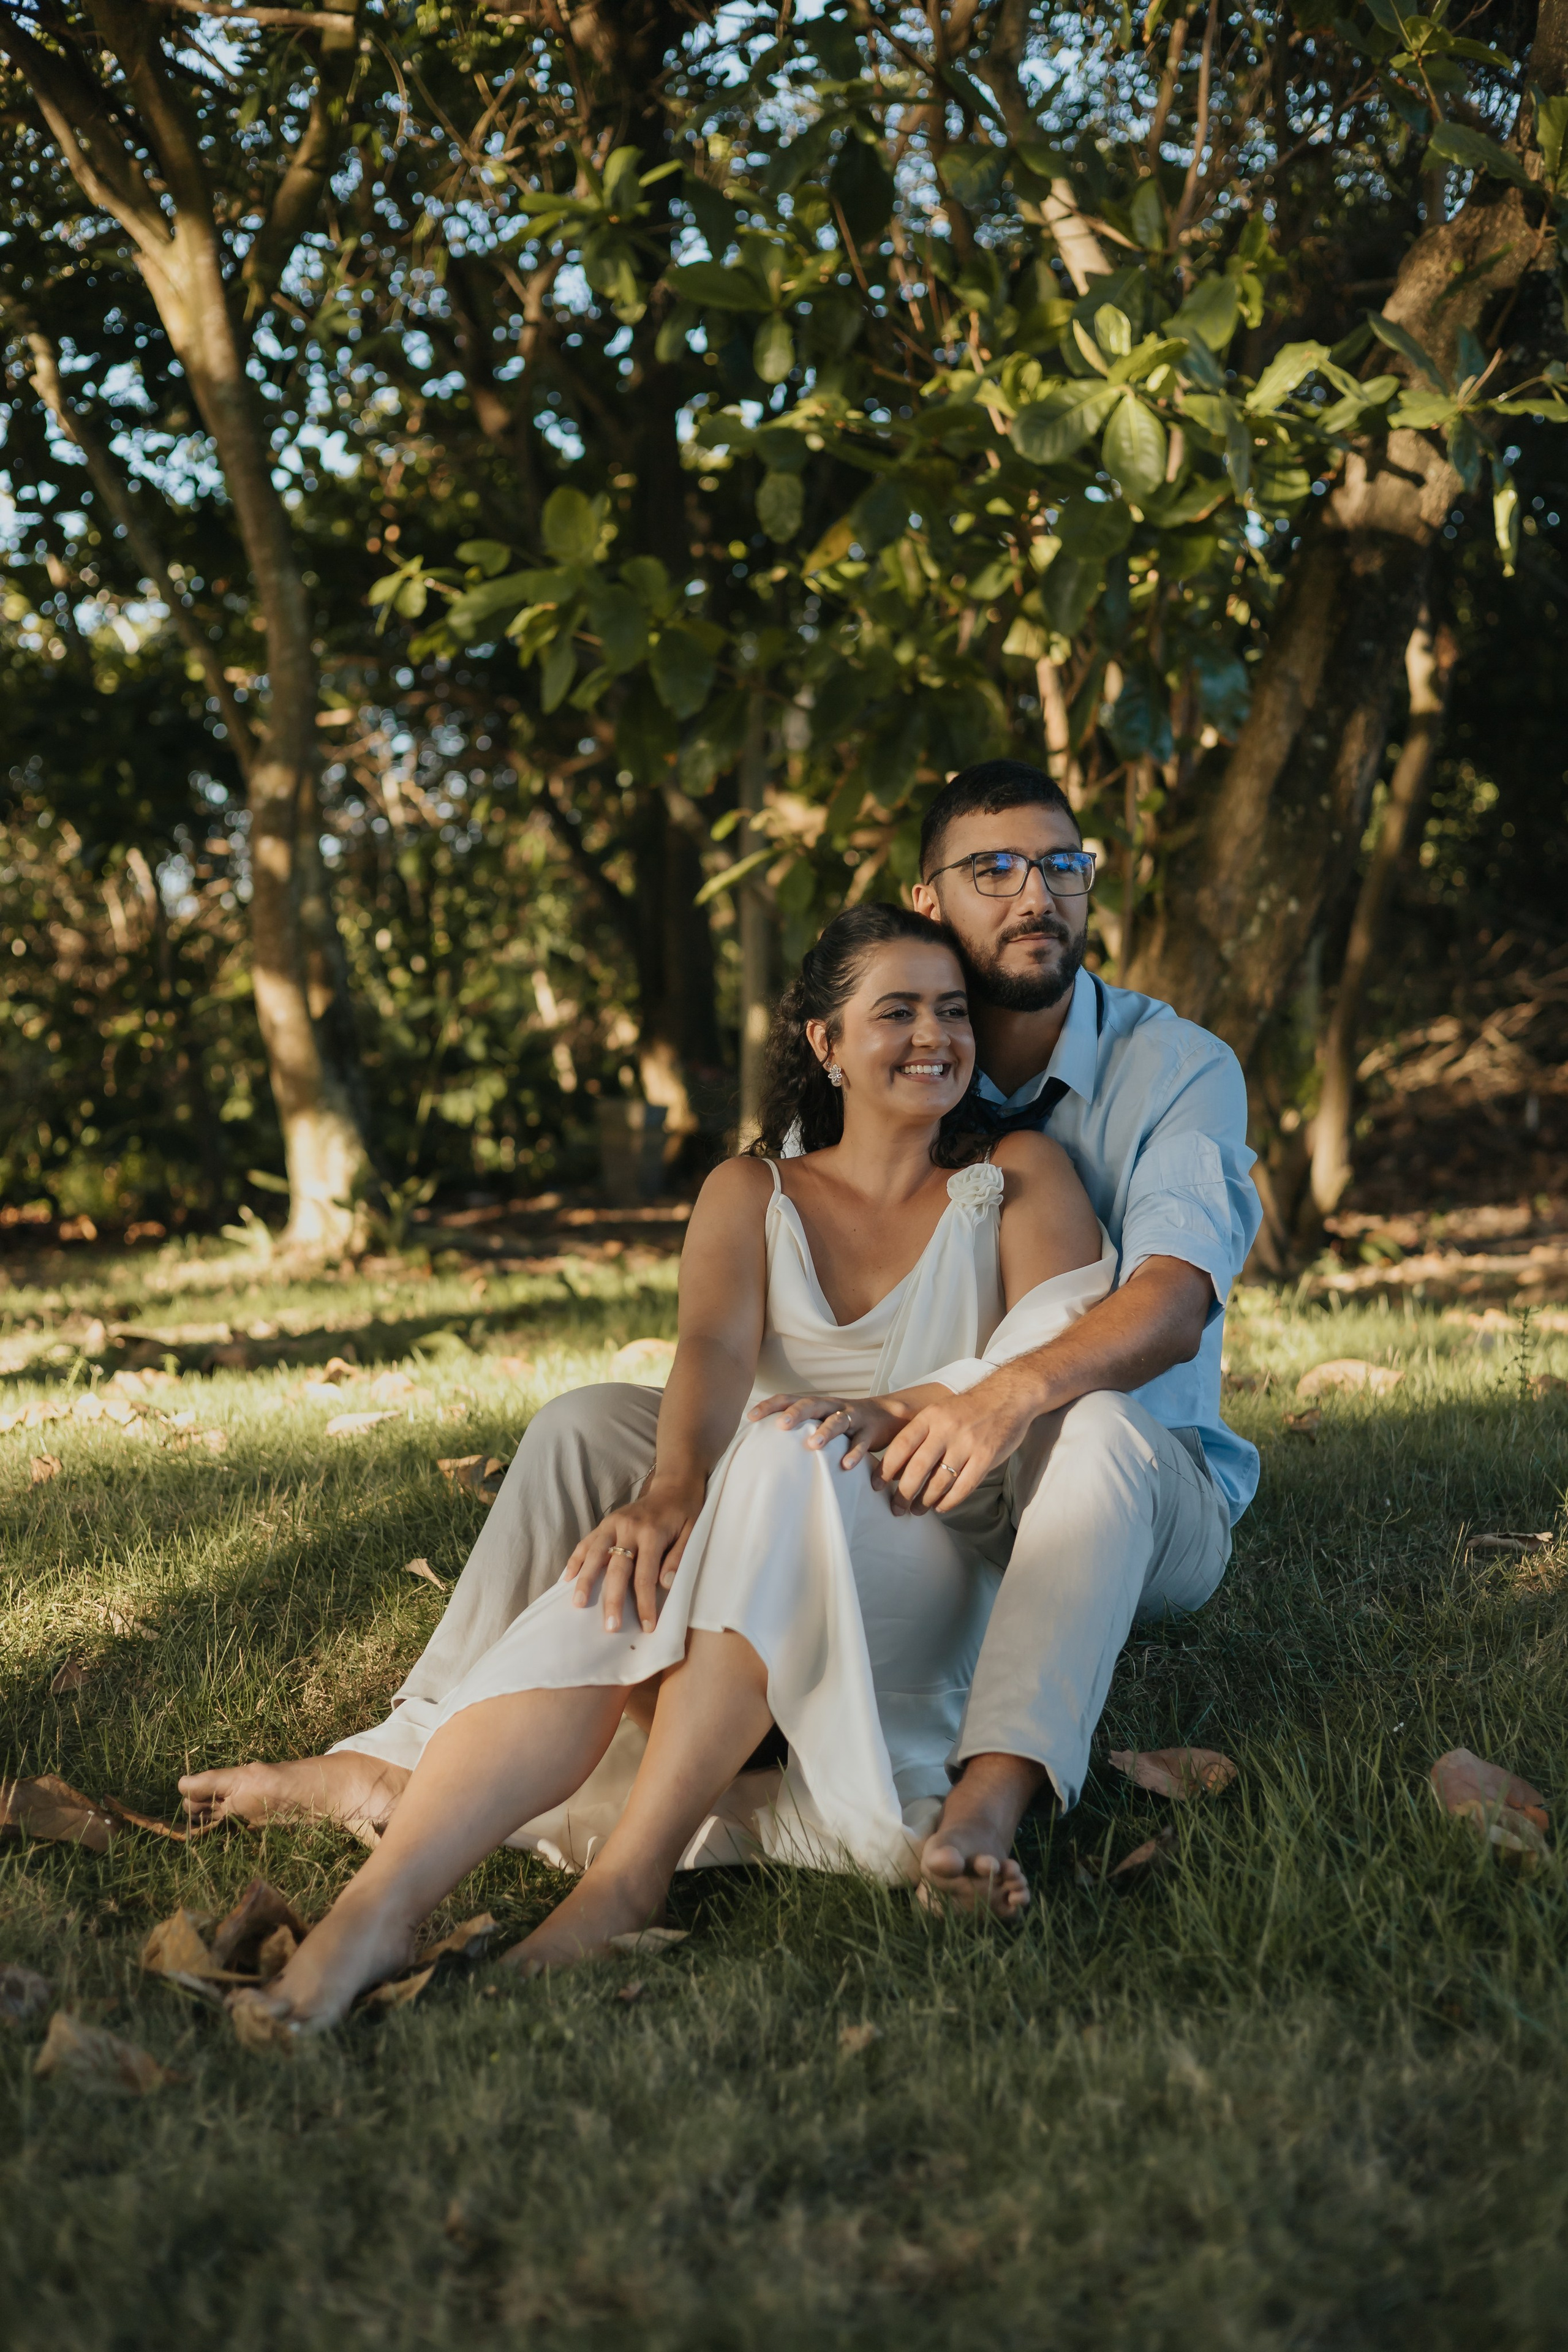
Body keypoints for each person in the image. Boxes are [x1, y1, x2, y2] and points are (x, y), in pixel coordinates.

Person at [187, 755, 1260, 1923]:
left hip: (1112, 1482)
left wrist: (986, 1399)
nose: (1035, 895)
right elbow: (741, 1321)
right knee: (585, 1424)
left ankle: (984, 1803)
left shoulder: (1171, 1069)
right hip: (870, 1460)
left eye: (1062, 865)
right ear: (926, 901)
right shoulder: (856, 1081)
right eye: (993, 869)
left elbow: (1173, 1297)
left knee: (1087, 1420)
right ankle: (413, 1743)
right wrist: (690, 1481)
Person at [203, 904, 1112, 2032]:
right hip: (767, 1515)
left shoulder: (1017, 1175)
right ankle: (377, 1910)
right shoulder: (753, 1191)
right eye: (897, 1011)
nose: (935, 1034)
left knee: (781, 1450)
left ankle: (625, 1879)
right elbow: (713, 1352)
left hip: (939, 1552)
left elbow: (1047, 1379)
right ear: (826, 1044)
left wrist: (878, 1428)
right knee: (640, 1490)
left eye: (952, 1011)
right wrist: (669, 1493)